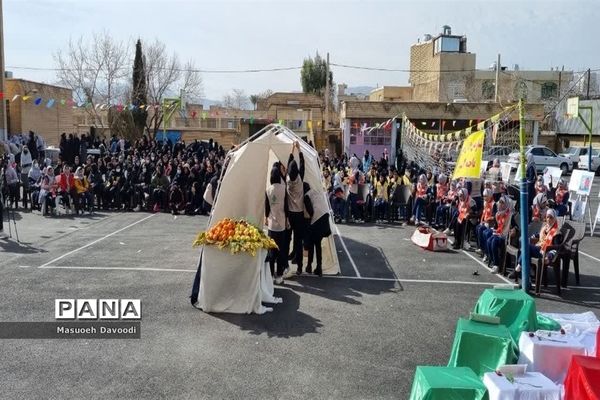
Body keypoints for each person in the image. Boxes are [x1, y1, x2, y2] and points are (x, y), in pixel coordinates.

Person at [514, 208, 562, 280]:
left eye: (551, 217)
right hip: (539, 248)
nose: (549, 219)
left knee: (527, 247)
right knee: (527, 251)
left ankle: (518, 268)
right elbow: (539, 235)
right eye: (547, 217)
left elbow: (556, 247)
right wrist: (532, 237)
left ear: (554, 218)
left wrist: (549, 257)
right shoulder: (545, 227)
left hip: (545, 252)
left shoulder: (556, 233)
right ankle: (528, 274)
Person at [265, 161, 289, 284]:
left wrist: (266, 217)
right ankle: (279, 277)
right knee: (280, 251)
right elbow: (286, 206)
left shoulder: (268, 190)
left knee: (271, 252)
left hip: (271, 225)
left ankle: (270, 276)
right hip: (281, 224)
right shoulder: (283, 188)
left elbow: (267, 207)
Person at [303, 181, 332, 277]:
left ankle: (309, 266)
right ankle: (318, 267)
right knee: (317, 243)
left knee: (311, 243)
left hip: (317, 219)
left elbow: (310, 212)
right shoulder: (316, 192)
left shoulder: (306, 196)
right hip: (325, 217)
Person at [286, 141, 307, 275]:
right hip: (299, 213)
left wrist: (292, 150)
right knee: (299, 240)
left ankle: (285, 264)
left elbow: (289, 164)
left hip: (289, 214)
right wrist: (298, 150)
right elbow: (302, 163)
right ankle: (299, 267)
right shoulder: (300, 179)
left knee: (288, 238)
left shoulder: (288, 179)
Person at [484, 195, 511, 273]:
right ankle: (493, 260)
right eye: (500, 202)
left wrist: (513, 230)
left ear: (506, 204)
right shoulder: (498, 214)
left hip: (505, 236)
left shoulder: (510, 214)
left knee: (493, 241)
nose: (500, 204)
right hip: (499, 234)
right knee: (489, 240)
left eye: (502, 203)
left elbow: (515, 226)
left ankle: (497, 265)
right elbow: (497, 226)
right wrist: (494, 230)